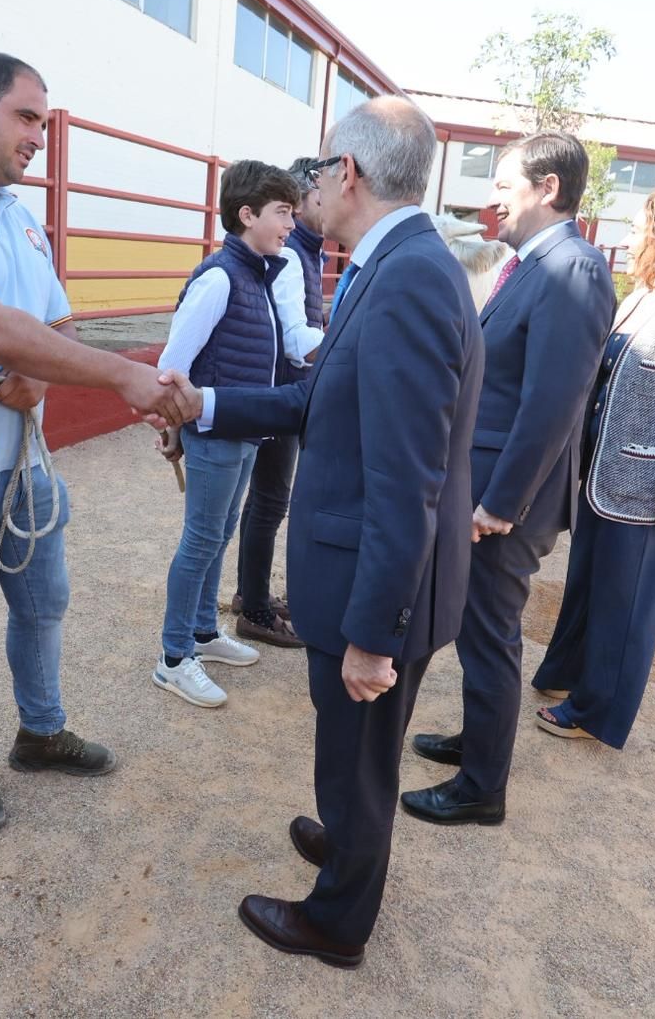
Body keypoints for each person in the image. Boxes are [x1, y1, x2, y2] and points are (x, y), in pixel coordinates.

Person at [157, 97, 484, 967]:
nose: (308, 185)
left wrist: (374, 637)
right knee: (346, 751)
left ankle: (337, 921)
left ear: (349, 173)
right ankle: (347, 840)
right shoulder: (393, 261)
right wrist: (209, 403)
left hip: (377, 596)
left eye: (318, 166)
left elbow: (407, 479)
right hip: (363, 574)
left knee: (360, 756)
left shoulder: (408, 275)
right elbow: (315, 400)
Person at [0, 52, 190, 832]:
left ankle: (40, 733)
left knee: (43, 602)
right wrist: (122, 376)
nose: (38, 139)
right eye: (28, 118)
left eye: (43, 125)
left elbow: (52, 321)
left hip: (22, 457)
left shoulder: (17, 213)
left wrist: (45, 375)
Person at [403, 130, 615, 826]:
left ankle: (482, 787)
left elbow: (553, 404)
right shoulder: (533, 263)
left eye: (502, 183)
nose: (492, 198)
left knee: (489, 634)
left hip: (505, 499)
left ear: (547, 187)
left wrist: (500, 502)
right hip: (488, 486)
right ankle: (477, 742)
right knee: (473, 628)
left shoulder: (572, 269)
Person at [530, 186, 655, 747]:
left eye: (638, 227)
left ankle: (596, 711)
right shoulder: (644, 296)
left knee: (625, 607)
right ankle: (566, 674)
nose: (627, 237)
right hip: (604, 479)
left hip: (646, 493)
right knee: (586, 587)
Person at [152, 160, 321, 708]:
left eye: (294, 212)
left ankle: (202, 631)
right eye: (281, 213)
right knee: (201, 539)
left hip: (242, 429)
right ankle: (174, 657)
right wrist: (175, 426)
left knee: (220, 533)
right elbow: (173, 363)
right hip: (216, 430)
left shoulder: (257, 275)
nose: (290, 224)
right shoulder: (223, 277)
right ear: (246, 214)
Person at [230, 157, 328, 650]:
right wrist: (341, 342)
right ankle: (254, 607)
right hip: (283, 389)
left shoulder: (306, 254)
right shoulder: (294, 257)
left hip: (282, 389)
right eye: (315, 198)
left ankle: (253, 595)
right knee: (269, 501)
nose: (324, 203)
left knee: (265, 501)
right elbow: (296, 340)